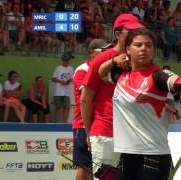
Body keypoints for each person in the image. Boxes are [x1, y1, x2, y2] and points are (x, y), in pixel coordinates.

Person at [113, 28, 181, 180]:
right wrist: (112, 61)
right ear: (128, 49)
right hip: (125, 155)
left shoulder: (157, 76)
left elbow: (177, 82)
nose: (144, 49)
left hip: (152, 157)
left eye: (148, 45)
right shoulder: (120, 74)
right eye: (139, 45)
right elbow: (100, 72)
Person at [80, 13, 144, 179]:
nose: (135, 35)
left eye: (137, 31)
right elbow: (86, 99)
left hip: (132, 136)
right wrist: (89, 133)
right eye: (130, 31)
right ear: (117, 34)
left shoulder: (140, 61)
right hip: (106, 134)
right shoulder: (103, 58)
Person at [73, 39, 109, 180]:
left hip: (100, 125)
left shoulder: (104, 71)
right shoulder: (83, 70)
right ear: (92, 53)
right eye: (103, 51)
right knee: (85, 166)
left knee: (97, 167)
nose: (107, 54)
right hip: (83, 124)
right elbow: (86, 96)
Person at [52, 52, 74, 123]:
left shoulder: (71, 68)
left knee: (67, 107)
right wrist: (61, 81)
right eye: (66, 60)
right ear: (63, 60)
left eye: (68, 60)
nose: (67, 61)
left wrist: (68, 81)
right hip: (58, 91)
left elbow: (72, 78)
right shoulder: (58, 68)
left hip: (66, 92)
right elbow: (53, 78)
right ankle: (57, 122)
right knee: (58, 107)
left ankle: (65, 122)